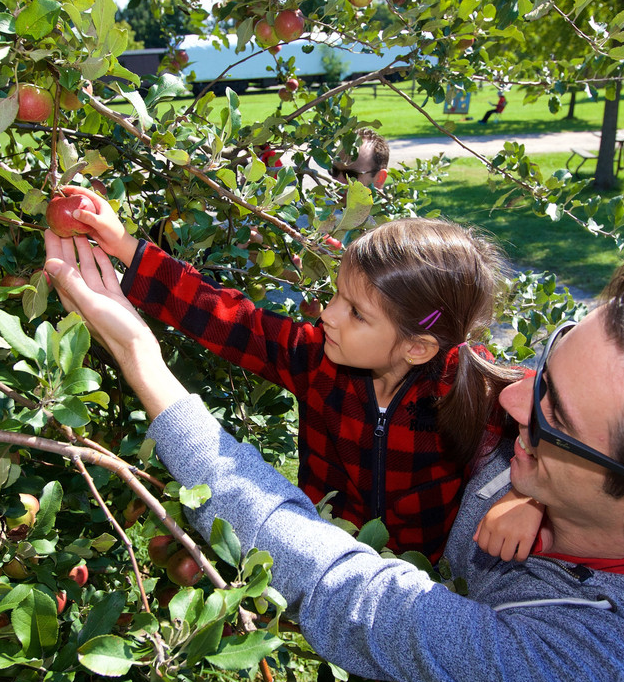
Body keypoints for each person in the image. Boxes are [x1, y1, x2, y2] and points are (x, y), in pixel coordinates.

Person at [43, 228, 624, 682]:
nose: (509, 398)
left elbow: (356, 596)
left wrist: (143, 363)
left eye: (551, 411)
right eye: (548, 359)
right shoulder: (611, 474)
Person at [60, 184, 516, 560]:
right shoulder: (316, 361)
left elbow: (552, 430)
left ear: (417, 347)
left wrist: (525, 500)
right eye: (337, 295)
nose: (328, 315)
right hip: (325, 559)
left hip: (425, 578)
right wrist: (125, 247)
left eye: (356, 313)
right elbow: (229, 320)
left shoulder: (474, 386)